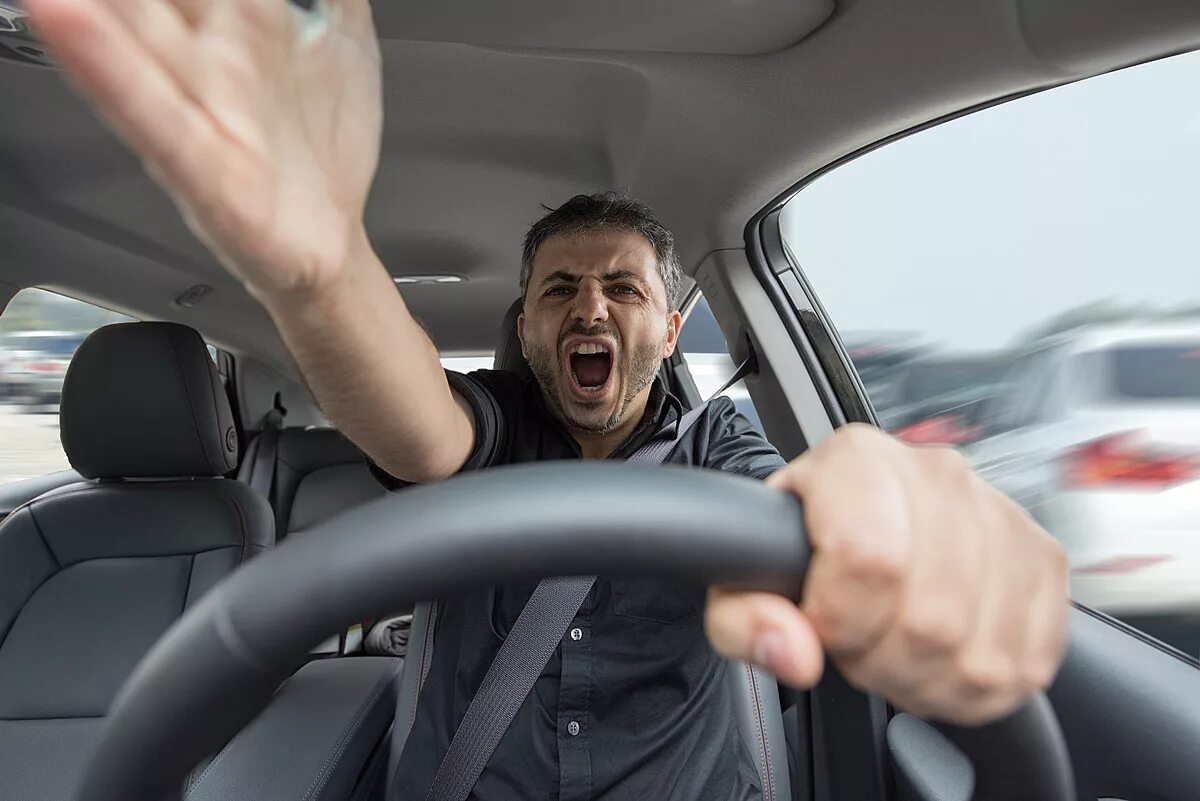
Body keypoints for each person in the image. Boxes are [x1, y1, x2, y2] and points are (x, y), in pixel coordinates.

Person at [24, 0, 1070, 799]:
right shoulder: (494, 430)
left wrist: (880, 512)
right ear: (525, 328)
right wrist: (322, 272)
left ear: (668, 328)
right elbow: (416, 423)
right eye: (560, 290)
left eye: (624, 289)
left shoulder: (718, 442)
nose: (592, 311)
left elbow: (799, 500)